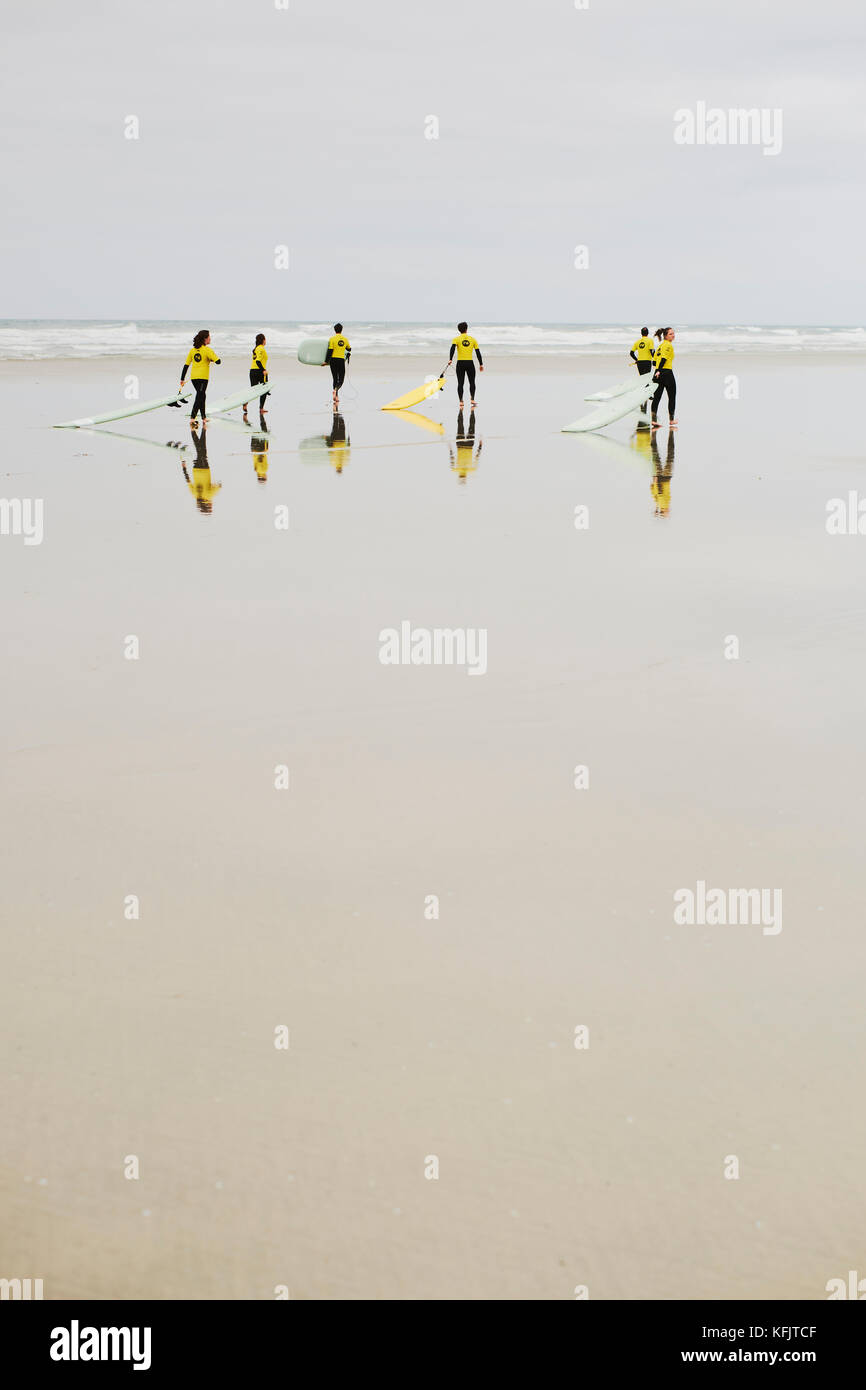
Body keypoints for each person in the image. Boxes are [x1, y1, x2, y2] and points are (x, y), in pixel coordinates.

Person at [180, 329, 220, 423]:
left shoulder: (192, 350)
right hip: (203, 378)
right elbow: (218, 361)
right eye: (209, 337)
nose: (210, 338)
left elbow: (186, 365)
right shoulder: (207, 350)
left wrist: (182, 378)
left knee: (202, 395)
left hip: (194, 378)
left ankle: (203, 418)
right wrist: (210, 359)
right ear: (205, 339)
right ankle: (192, 418)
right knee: (200, 396)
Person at [449, 322, 484, 407]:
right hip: (470, 363)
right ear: (466, 329)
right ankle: (472, 399)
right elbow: (478, 352)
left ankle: (461, 401)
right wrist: (481, 364)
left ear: (459, 330)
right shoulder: (473, 339)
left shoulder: (456, 339)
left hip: (460, 363)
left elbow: (452, 349)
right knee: (472, 382)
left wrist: (450, 359)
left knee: (460, 383)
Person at [651, 327, 677, 428]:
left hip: (658, 374)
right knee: (672, 396)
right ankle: (671, 420)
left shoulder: (660, 346)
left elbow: (654, 361)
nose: (673, 335)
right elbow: (663, 358)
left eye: (673, 333)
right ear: (665, 336)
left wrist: (656, 371)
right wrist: (660, 370)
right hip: (666, 373)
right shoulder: (668, 345)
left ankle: (653, 420)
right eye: (670, 334)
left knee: (657, 398)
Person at [630, 326, 655, 415]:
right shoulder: (650, 341)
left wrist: (636, 359)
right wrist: (655, 359)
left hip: (640, 362)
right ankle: (648, 395)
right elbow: (652, 351)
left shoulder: (637, 342)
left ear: (641, 333)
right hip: (647, 361)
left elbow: (631, 353)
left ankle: (641, 395)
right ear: (647, 333)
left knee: (642, 378)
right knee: (647, 378)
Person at [324, 324, 351, 404]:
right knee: (341, 380)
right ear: (341, 330)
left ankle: (336, 396)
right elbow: (349, 348)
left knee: (335, 379)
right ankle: (335, 390)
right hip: (340, 361)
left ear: (334, 330)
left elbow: (330, 351)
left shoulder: (332, 339)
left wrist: (326, 361)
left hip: (333, 361)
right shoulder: (345, 339)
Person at [244, 333, 268, 418]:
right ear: (263, 340)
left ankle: (245, 402)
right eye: (265, 339)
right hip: (259, 371)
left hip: (253, 371)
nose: (266, 341)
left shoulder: (256, 348)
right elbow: (258, 361)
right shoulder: (261, 349)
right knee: (264, 390)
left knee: (253, 391)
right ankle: (261, 408)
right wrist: (263, 370)